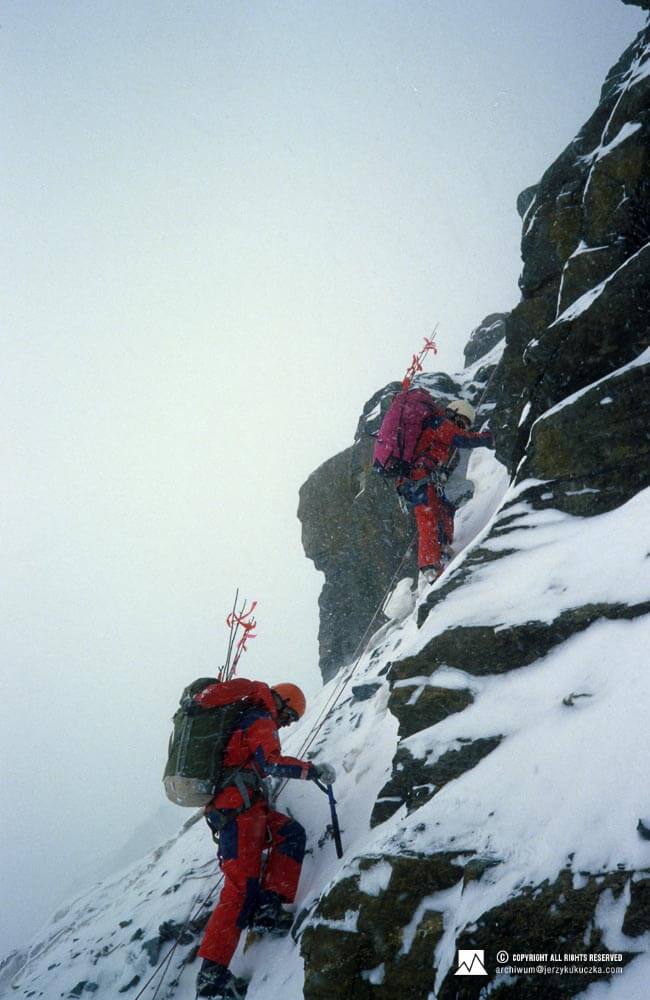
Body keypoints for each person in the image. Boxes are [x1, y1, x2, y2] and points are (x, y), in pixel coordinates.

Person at [193, 679, 336, 1000]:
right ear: (282, 703)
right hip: (238, 813)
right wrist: (312, 770)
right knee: (240, 889)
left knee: (290, 834)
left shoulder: (251, 718)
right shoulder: (260, 719)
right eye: (290, 716)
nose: (287, 723)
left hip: (245, 810)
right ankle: (211, 977)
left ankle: (267, 909)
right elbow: (269, 762)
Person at [398, 399, 494, 582]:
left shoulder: (437, 426)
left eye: (464, 426)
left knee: (444, 510)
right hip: (419, 480)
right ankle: (430, 567)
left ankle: (442, 548)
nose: (460, 428)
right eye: (461, 423)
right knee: (428, 518)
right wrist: (487, 439)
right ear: (453, 413)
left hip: (423, 480)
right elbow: (461, 438)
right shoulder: (440, 423)